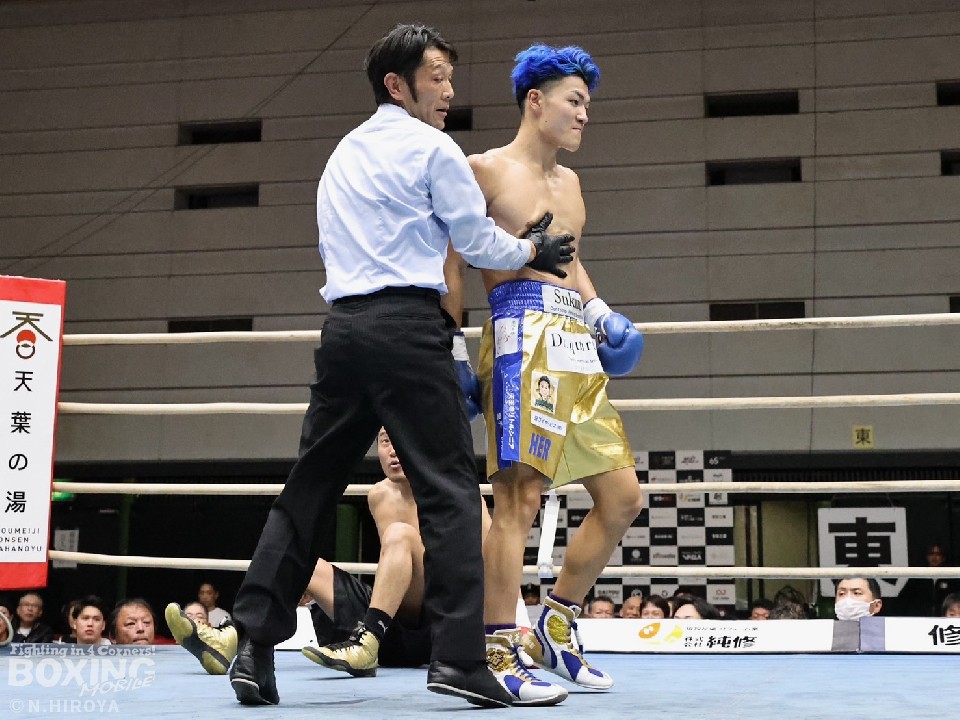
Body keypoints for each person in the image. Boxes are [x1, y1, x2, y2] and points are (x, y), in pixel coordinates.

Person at [226, 23, 576, 709]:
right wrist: (531, 248)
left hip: (343, 332)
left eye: (450, 77)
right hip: (408, 331)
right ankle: (460, 661)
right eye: (437, 76)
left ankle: (252, 647)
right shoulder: (433, 148)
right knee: (451, 492)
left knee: (308, 490)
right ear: (397, 84)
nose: (448, 91)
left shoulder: (342, 155)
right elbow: (473, 239)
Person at [443, 44, 644, 700]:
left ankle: (555, 625)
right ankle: (497, 648)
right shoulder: (483, 169)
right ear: (536, 101)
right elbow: (451, 257)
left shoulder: (573, 185)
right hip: (517, 333)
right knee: (518, 498)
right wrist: (449, 346)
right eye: (574, 101)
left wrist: (600, 311)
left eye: (588, 103)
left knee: (622, 497)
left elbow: (570, 261)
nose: (585, 114)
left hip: (572, 338)